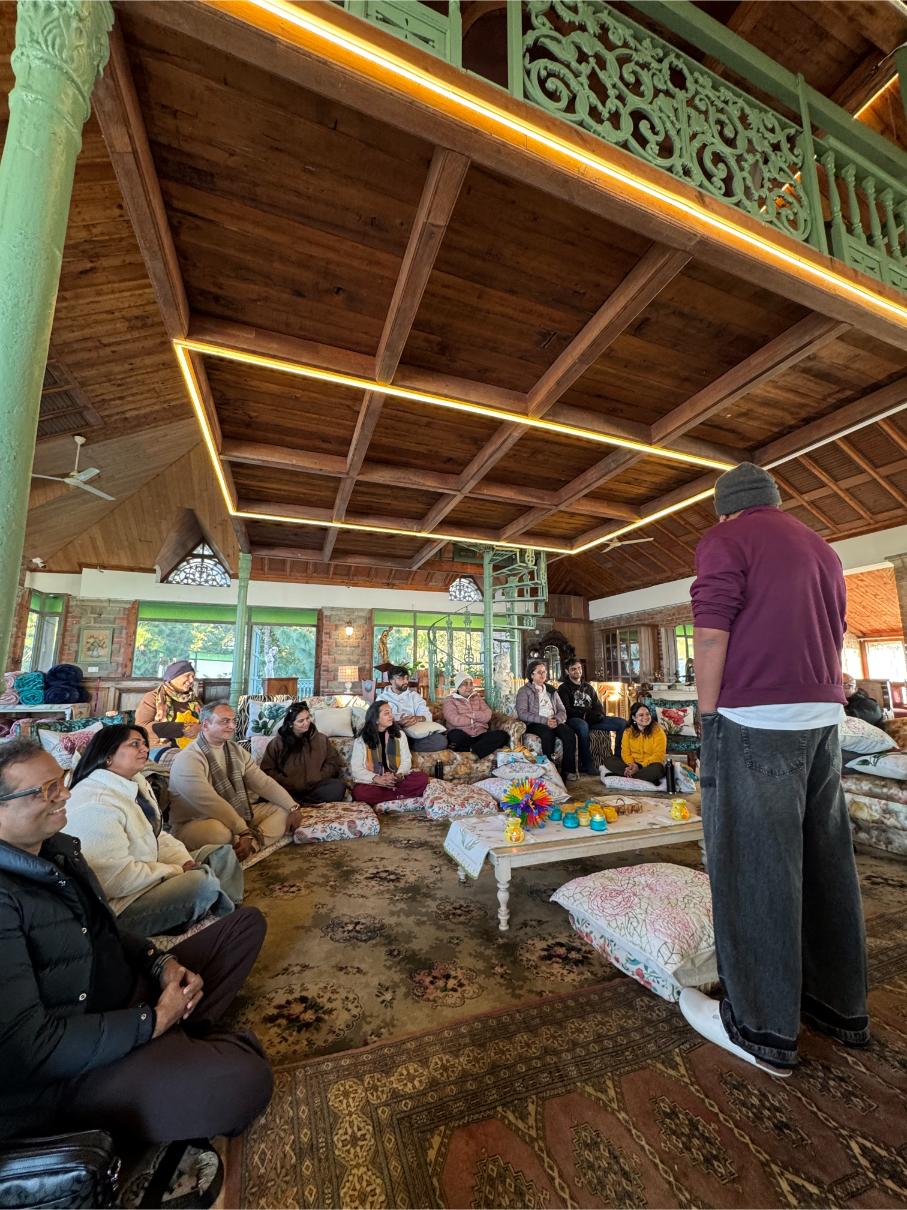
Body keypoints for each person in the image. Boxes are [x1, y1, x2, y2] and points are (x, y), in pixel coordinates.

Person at [682, 461, 868, 1077]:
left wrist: (708, 717)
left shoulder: (726, 538)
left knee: (753, 866)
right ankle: (837, 1007)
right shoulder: (822, 549)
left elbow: (712, 635)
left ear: (725, 507)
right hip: (823, 719)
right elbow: (835, 634)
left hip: (754, 720)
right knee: (824, 861)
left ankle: (760, 1028)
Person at [0, 737, 272, 1144]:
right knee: (247, 1080)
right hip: (79, 1060)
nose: (65, 795)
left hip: (131, 993)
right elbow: (30, 1048)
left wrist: (160, 963)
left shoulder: (57, 851)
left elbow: (105, 930)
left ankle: (179, 1038)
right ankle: (178, 1042)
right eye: (46, 790)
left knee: (245, 925)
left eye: (62, 781)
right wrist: (153, 1021)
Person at [66, 724, 242, 936]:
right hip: (120, 904)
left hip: (148, 871)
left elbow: (156, 834)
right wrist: (175, 871)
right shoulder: (96, 802)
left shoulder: (135, 783)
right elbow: (115, 880)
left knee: (221, 854)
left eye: (144, 743)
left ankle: (227, 914)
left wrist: (183, 861)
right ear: (108, 756)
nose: (144, 749)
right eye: (134, 744)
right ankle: (223, 924)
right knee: (201, 884)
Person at [168, 703, 304, 859]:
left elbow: (262, 782)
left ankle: (251, 846)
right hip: (196, 822)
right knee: (221, 833)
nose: (232, 726)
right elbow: (210, 802)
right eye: (225, 721)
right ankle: (240, 841)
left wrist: (293, 807)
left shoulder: (235, 750)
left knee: (284, 811)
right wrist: (243, 830)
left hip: (236, 812)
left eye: (234, 721)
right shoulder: (189, 758)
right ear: (205, 725)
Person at [260, 701, 346, 805]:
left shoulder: (322, 739)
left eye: (308, 718)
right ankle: (297, 801)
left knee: (338, 787)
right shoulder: (277, 743)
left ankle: (298, 802)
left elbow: (332, 762)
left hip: (315, 787)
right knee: (271, 792)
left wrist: (319, 776)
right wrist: (288, 782)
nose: (306, 723)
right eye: (301, 721)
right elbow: (267, 770)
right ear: (291, 724)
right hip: (288, 789)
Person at [350, 701, 429, 806]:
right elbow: (356, 768)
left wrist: (398, 775)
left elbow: (406, 760)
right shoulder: (361, 740)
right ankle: (399, 796)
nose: (391, 716)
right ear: (376, 719)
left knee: (422, 778)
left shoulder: (399, 735)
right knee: (360, 792)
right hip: (376, 781)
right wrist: (377, 778)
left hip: (396, 777)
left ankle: (387, 798)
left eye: (391, 712)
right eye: (387, 713)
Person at [556, 657, 627, 772]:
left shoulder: (588, 687)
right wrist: (584, 715)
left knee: (622, 723)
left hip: (591, 719)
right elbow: (566, 710)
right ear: (567, 671)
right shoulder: (563, 688)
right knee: (583, 726)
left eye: (579, 668)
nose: (577, 671)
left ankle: (617, 759)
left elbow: (598, 707)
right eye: (573, 669)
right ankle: (587, 764)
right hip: (574, 719)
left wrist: (598, 715)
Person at [515, 659, 578, 781]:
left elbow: (562, 710)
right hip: (535, 723)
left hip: (553, 720)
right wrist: (545, 721)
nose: (543, 674)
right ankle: (549, 770)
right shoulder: (524, 691)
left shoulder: (551, 690)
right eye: (539, 672)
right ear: (531, 675)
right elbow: (522, 714)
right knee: (547, 734)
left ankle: (568, 771)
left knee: (569, 733)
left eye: (544, 672)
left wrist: (556, 720)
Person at [135, 660, 202, 753]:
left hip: (192, 745)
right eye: (187, 676)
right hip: (161, 747)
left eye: (193, 677)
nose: (191, 680)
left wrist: (200, 728)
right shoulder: (153, 697)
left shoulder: (194, 700)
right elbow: (142, 728)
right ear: (173, 677)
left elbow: (208, 721)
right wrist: (182, 729)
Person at [378, 665, 447, 752]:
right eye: (401, 679)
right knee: (391, 732)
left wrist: (417, 718)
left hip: (414, 734)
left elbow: (427, 714)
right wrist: (398, 723)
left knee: (440, 741)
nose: (406, 681)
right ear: (391, 680)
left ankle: (406, 746)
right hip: (394, 733)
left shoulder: (414, 696)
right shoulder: (382, 698)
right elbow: (379, 721)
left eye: (407, 678)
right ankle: (401, 746)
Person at [442, 675, 510, 759]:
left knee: (503, 735)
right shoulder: (450, 700)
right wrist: (474, 720)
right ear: (458, 686)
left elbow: (488, 714)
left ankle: (473, 752)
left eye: (471, 684)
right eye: (465, 684)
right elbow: (454, 719)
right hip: (463, 736)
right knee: (455, 736)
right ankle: (479, 749)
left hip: (480, 736)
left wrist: (473, 715)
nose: (469, 687)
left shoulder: (477, 697)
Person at [601, 702, 667, 784]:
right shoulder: (628, 732)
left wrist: (639, 766)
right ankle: (641, 776)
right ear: (634, 718)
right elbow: (625, 753)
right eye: (641, 715)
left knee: (658, 769)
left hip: (649, 765)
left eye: (647, 714)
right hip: (632, 764)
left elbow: (658, 755)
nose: (646, 717)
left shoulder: (658, 731)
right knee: (609, 761)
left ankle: (624, 775)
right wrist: (632, 765)